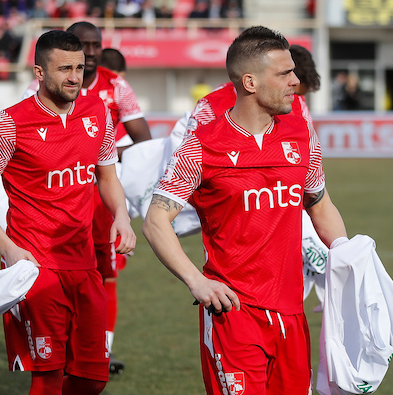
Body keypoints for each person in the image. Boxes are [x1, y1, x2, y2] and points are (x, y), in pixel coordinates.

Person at [142, 26, 348, 394]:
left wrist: (348, 254)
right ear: (250, 82)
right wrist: (196, 281)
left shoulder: (301, 136)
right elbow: (156, 220)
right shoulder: (200, 148)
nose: (296, 81)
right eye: (284, 73)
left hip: (292, 316)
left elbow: (320, 205)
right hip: (234, 316)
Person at [0, 30, 136, 395]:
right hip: (36, 265)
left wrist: (121, 215)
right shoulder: (10, 123)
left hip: (85, 262)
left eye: (78, 67)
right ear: (40, 73)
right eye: (63, 69)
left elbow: (107, 177)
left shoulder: (97, 112)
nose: (74, 77)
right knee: (48, 375)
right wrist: (8, 248)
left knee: (93, 378)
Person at [22, 21, 151, 374]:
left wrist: (101, 155)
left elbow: (144, 139)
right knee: (56, 274)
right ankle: (57, 349)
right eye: (83, 46)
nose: (91, 53)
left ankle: (99, 350)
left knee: (104, 275)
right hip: (58, 196)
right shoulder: (35, 94)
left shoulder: (115, 86)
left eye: (95, 46)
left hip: (101, 194)